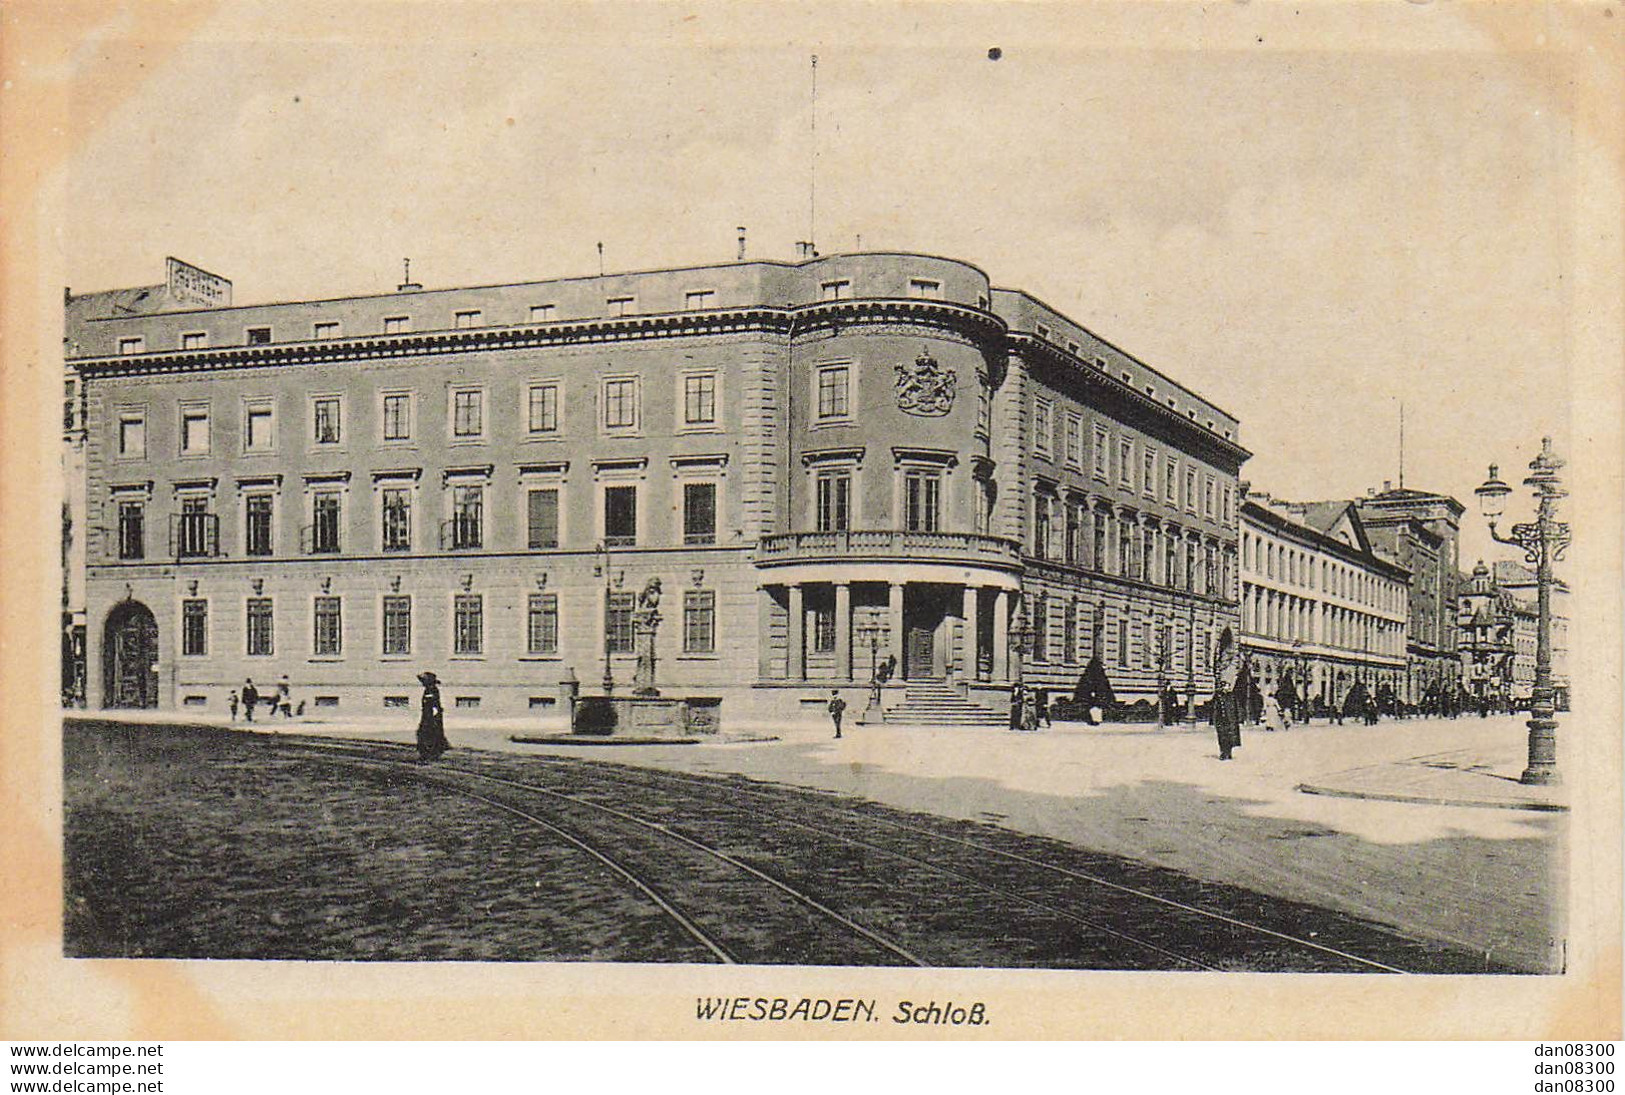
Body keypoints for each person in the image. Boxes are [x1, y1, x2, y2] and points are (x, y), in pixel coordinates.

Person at [1211, 627, 1242, 760]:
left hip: (1227, 698)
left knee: (1228, 725)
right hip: (1220, 698)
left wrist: (1227, 685)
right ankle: (1223, 750)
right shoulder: (1219, 664)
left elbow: (1234, 674)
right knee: (1220, 726)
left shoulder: (1232, 662)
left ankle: (1227, 750)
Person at [416, 671, 450, 762]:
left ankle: (431, 754)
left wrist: (434, 714)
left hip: (432, 716)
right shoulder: (428, 689)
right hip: (427, 715)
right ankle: (428, 753)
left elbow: (435, 703)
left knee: (429, 734)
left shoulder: (432, 690)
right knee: (425, 734)